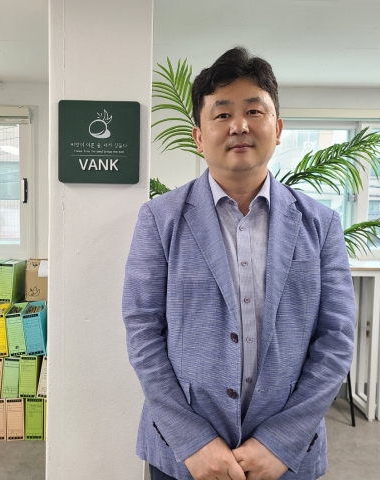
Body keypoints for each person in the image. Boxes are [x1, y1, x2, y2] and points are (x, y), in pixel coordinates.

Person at [123, 47, 355, 480]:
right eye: (222, 114)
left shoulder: (320, 224)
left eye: (254, 110)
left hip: (286, 457)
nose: (240, 126)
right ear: (198, 135)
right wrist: (193, 441)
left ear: (278, 128)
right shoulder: (159, 219)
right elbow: (143, 332)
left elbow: (336, 339)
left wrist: (280, 442)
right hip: (183, 455)